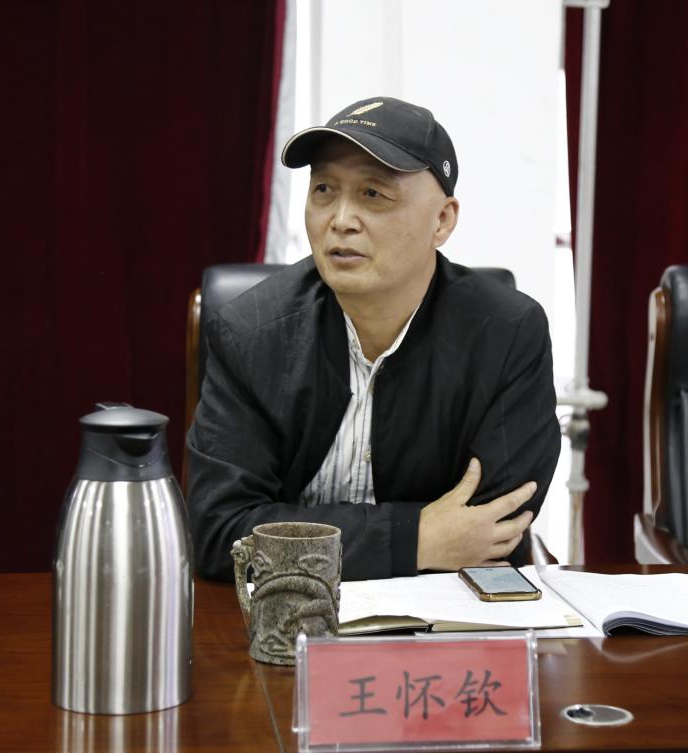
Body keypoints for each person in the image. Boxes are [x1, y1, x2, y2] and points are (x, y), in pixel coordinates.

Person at [187, 96, 560, 581]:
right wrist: (414, 538)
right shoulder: (250, 333)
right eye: (324, 189)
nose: (341, 219)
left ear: (442, 220)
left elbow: (491, 532)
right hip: (289, 613)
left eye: (373, 194)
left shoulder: (506, 334)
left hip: (446, 616)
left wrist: (306, 537)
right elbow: (221, 534)